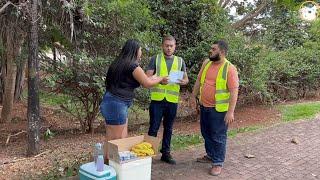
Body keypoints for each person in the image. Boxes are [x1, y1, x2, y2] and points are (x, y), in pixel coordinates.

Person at [100, 39, 163, 163]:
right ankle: (111, 169)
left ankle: (105, 168)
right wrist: (161, 78)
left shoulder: (118, 63)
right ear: (135, 50)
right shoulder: (132, 65)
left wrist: (153, 78)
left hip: (112, 102)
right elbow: (147, 83)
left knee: (113, 139)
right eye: (140, 50)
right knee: (118, 142)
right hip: (117, 104)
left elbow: (144, 78)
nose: (141, 52)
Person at [191, 40, 239, 176]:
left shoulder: (229, 68)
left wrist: (230, 112)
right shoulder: (207, 63)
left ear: (222, 52)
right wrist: (192, 97)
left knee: (218, 136)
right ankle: (211, 155)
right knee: (206, 133)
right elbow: (199, 80)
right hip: (204, 106)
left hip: (219, 110)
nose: (210, 51)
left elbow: (234, 91)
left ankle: (218, 162)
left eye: (213, 49)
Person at [146, 35, 189, 165]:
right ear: (162, 46)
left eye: (171, 46)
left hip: (172, 100)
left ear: (175, 47)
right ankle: (147, 154)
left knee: (168, 128)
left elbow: (186, 80)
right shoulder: (155, 59)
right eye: (167, 45)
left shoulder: (180, 61)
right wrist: (159, 79)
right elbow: (147, 78)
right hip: (157, 100)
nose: (169, 48)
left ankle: (166, 153)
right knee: (153, 128)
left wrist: (183, 82)